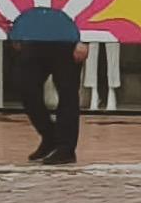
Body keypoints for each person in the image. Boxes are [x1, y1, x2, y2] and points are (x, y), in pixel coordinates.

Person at [5, 34, 85, 167]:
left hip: (67, 41)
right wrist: (17, 34)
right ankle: (49, 136)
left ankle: (66, 148)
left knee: (67, 94)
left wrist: (84, 40)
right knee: (25, 86)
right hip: (35, 39)